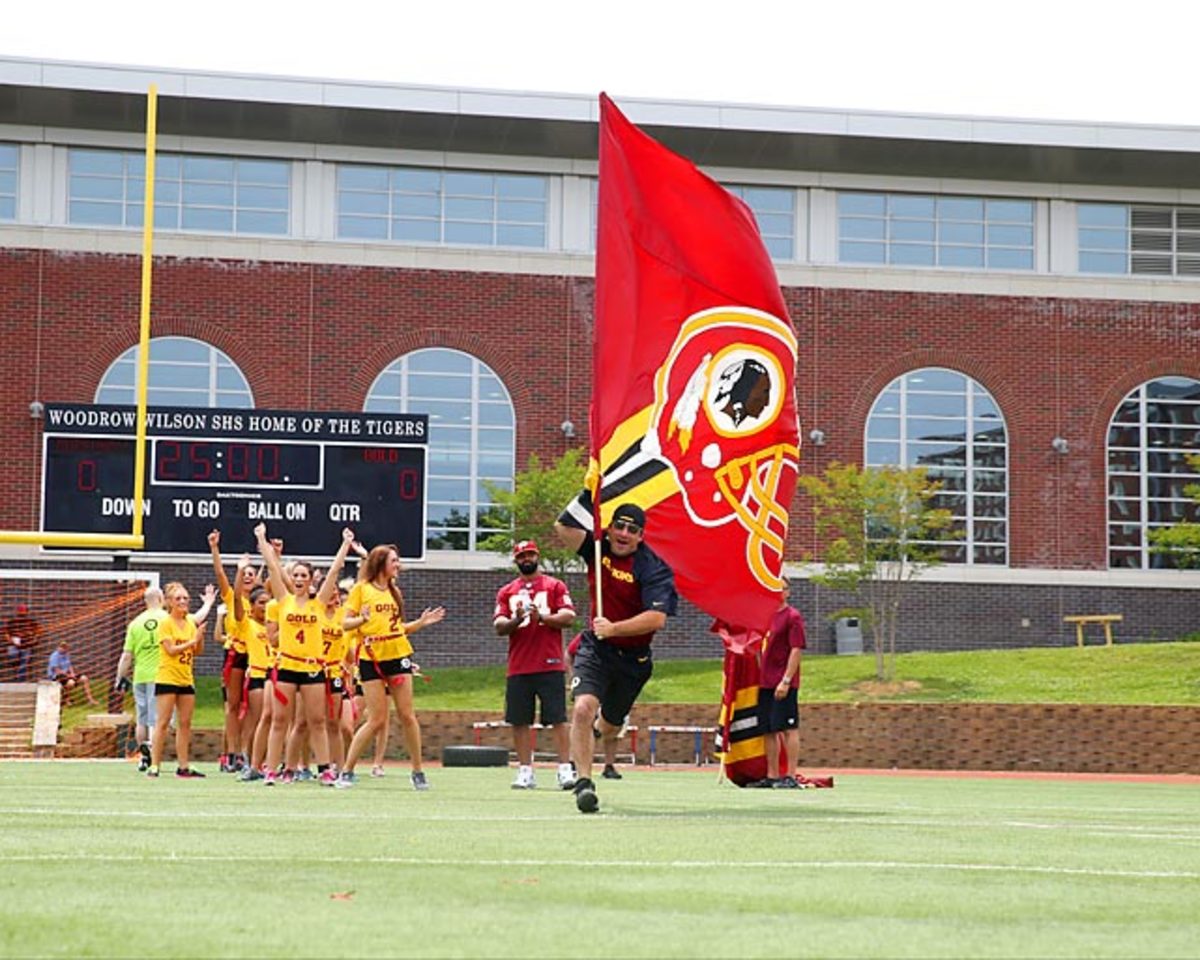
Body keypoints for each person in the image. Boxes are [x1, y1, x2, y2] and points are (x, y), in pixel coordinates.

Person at [554, 500, 678, 814]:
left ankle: (594, 734)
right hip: (596, 648)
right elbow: (563, 527)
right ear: (609, 528)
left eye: (632, 530)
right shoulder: (597, 549)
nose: (623, 534)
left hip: (633, 660)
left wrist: (615, 628)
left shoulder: (653, 567)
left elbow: (657, 618)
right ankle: (583, 783)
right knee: (582, 709)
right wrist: (588, 491)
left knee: (608, 727)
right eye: (619, 526)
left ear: (641, 536)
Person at [336, 542, 445, 790]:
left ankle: (418, 772)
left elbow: (397, 628)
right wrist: (361, 619)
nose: (397, 565)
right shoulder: (361, 589)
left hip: (397, 654)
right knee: (376, 719)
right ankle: (348, 770)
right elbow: (344, 623)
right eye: (393, 560)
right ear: (381, 563)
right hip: (370, 656)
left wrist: (421, 623)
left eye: (397, 560)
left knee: (407, 715)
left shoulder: (394, 591)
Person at [255, 524, 353, 787]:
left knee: (318, 720)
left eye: (303, 576)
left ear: (310, 580)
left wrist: (345, 545)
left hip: (312, 668)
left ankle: (325, 770)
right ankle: (272, 771)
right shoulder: (283, 600)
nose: (298, 579)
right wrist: (261, 539)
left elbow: (334, 572)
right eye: (295, 575)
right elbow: (273, 568)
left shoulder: (318, 603)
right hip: (286, 665)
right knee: (279, 720)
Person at [493, 539, 576, 790]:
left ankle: (564, 769)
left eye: (529, 555)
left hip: (549, 663)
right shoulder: (507, 591)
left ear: (537, 556)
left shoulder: (554, 585)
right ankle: (525, 770)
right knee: (519, 720)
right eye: (521, 556)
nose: (526, 559)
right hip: (519, 664)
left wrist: (544, 617)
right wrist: (516, 620)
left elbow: (569, 616)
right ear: (516, 560)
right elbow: (498, 625)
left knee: (557, 718)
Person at [148, 581, 215, 778]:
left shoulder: (190, 623)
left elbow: (198, 651)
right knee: (163, 722)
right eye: (178, 598)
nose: (183, 601)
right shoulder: (165, 623)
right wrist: (192, 641)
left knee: (185, 723)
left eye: (185, 598)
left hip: (186, 678)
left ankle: (183, 765)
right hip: (168, 677)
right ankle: (154, 764)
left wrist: (200, 637)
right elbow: (170, 649)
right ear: (169, 602)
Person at [754, 578, 806, 788]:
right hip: (765, 682)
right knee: (768, 728)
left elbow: (796, 649)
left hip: (783, 682)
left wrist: (786, 680)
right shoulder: (764, 617)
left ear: (788, 592)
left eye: (781, 589)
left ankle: (790, 776)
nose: (776, 593)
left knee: (788, 727)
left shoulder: (792, 617)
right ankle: (772, 774)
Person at [115, 587, 166, 771]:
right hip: (160, 675)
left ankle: (142, 756)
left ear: (145, 601)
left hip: (140, 676)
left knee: (142, 718)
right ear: (161, 598)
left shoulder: (135, 623)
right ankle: (153, 752)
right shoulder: (167, 619)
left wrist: (119, 677)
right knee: (157, 718)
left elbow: (126, 655)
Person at [565, 632, 624, 780]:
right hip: (592, 683)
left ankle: (609, 765)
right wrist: (574, 677)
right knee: (582, 718)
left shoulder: (625, 635)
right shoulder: (588, 636)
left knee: (613, 725)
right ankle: (575, 764)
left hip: (614, 686)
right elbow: (569, 653)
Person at [47, 641, 98, 706]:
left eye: (65, 647)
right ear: (58, 647)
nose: (63, 649)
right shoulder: (54, 656)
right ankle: (66, 700)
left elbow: (69, 665)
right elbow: (57, 670)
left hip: (67, 674)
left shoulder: (66, 654)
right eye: (62, 647)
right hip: (56, 676)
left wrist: (72, 673)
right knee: (71, 683)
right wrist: (69, 675)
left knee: (84, 678)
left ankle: (90, 699)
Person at [4, 603, 40, 683]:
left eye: (23, 612)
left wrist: (35, 638)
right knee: (12, 655)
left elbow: (38, 631)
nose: (22, 614)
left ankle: (20, 680)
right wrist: (11, 640)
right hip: (14, 644)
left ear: (27, 612)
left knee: (24, 663)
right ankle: (16, 670)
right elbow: (6, 633)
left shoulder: (30, 621)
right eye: (20, 612)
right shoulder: (12, 621)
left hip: (26, 644)